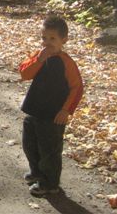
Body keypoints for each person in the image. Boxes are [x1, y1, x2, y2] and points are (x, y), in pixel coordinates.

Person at [18, 15, 83, 197]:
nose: (47, 42)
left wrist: (66, 110)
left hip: (53, 115)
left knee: (50, 150)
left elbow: (77, 88)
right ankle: (36, 172)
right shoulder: (39, 57)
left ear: (64, 40)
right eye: (44, 38)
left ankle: (50, 183)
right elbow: (24, 74)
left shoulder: (66, 63)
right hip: (34, 110)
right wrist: (38, 60)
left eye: (52, 38)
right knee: (29, 144)